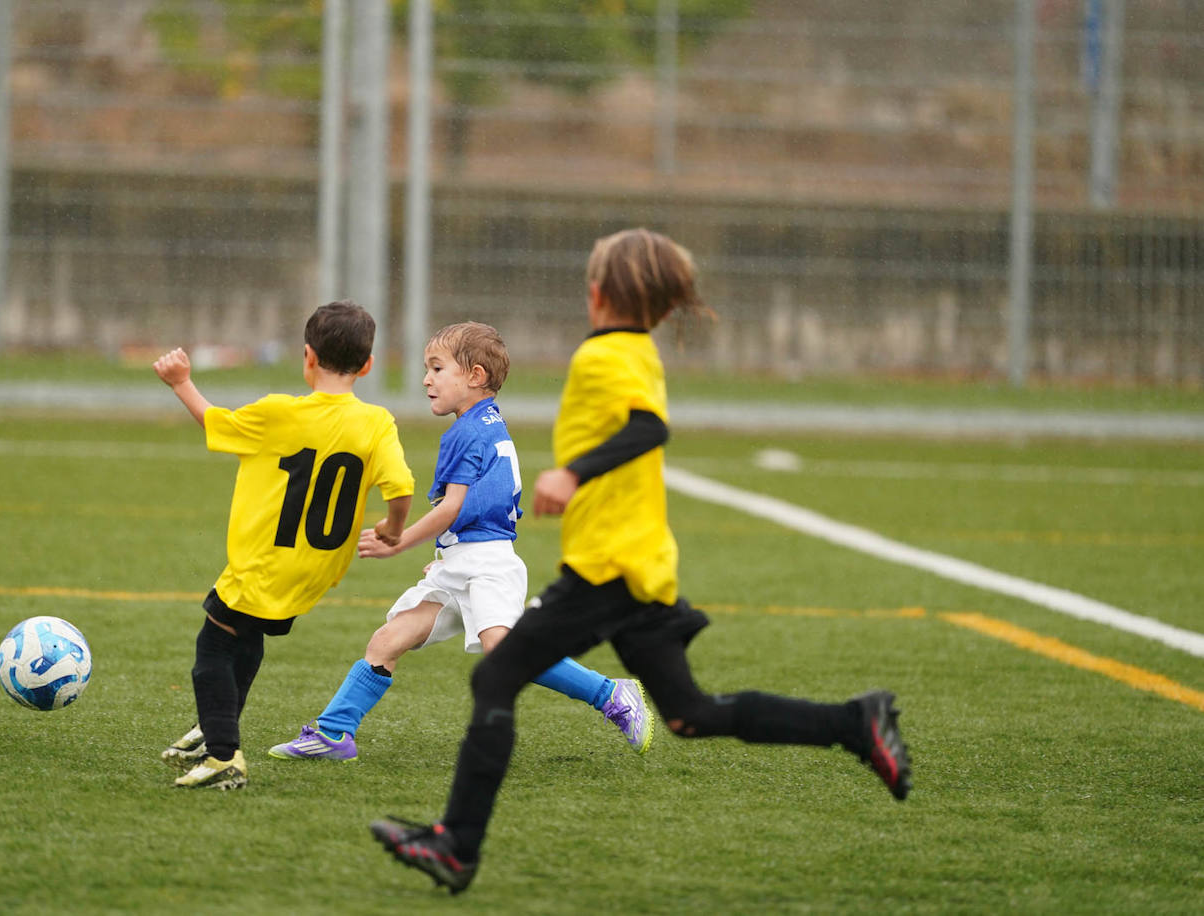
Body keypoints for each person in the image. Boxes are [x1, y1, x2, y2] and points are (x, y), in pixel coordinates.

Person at [369, 229, 912, 892]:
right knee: (688, 712)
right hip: (639, 564)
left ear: (599, 293)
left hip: (609, 568)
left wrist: (572, 473)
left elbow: (649, 427)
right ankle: (857, 724)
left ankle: (456, 846)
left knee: (495, 678)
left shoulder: (606, 355)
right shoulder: (635, 351)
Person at [266, 321, 653, 763]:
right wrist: (450, 553)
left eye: (437, 368)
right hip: (465, 562)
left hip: (487, 565)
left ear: (475, 376)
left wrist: (398, 541)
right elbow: (473, 508)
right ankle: (335, 733)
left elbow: (451, 507)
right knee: (389, 640)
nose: (426, 379)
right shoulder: (486, 423)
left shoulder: (466, 432)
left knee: (503, 649)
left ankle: (612, 695)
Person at [154, 300, 415, 790]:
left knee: (212, 646)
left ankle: (223, 756)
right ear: (368, 365)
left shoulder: (278, 412)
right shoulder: (377, 422)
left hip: (262, 563)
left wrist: (180, 382)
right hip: (314, 572)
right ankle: (214, 724)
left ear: (308, 357)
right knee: (245, 637)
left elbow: (215, 422)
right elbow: (400, 489)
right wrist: (393, 531)